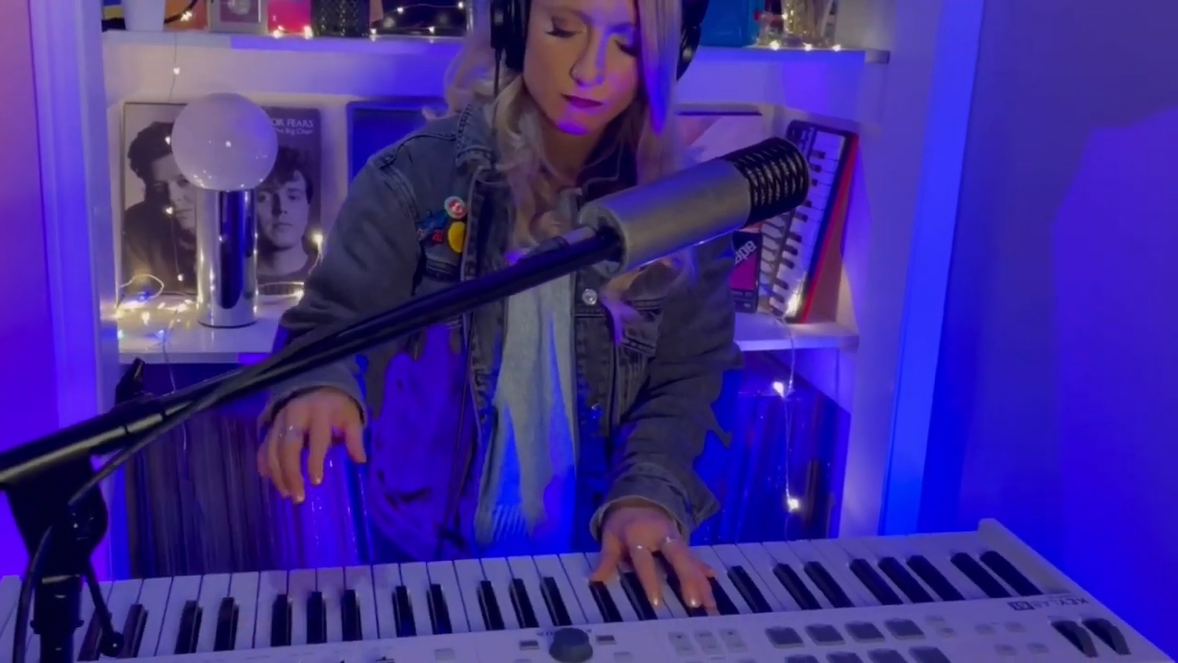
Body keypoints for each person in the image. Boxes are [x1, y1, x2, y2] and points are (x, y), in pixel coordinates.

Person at [257, 0, 738, 612]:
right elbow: (331, 323)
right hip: (425, 558)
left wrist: (649, 496)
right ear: (512, 23)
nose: (589, 70)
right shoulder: (416, 178)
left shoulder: (686, 205)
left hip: (598, 559)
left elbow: (693, 379)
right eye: (563, 30)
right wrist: (320, 384)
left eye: (628, 45)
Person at [122, 121, 198, 295]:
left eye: (183, 182)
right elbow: (139, 293)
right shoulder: (138, 225)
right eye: (159, 187)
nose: (173, 197)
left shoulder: (237, 218)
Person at [256, 146, 318, 285]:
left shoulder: (330, 277)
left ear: (308, 206)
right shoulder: (230, 282)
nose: (281, 208)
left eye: (293, 196)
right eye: (264, 198)